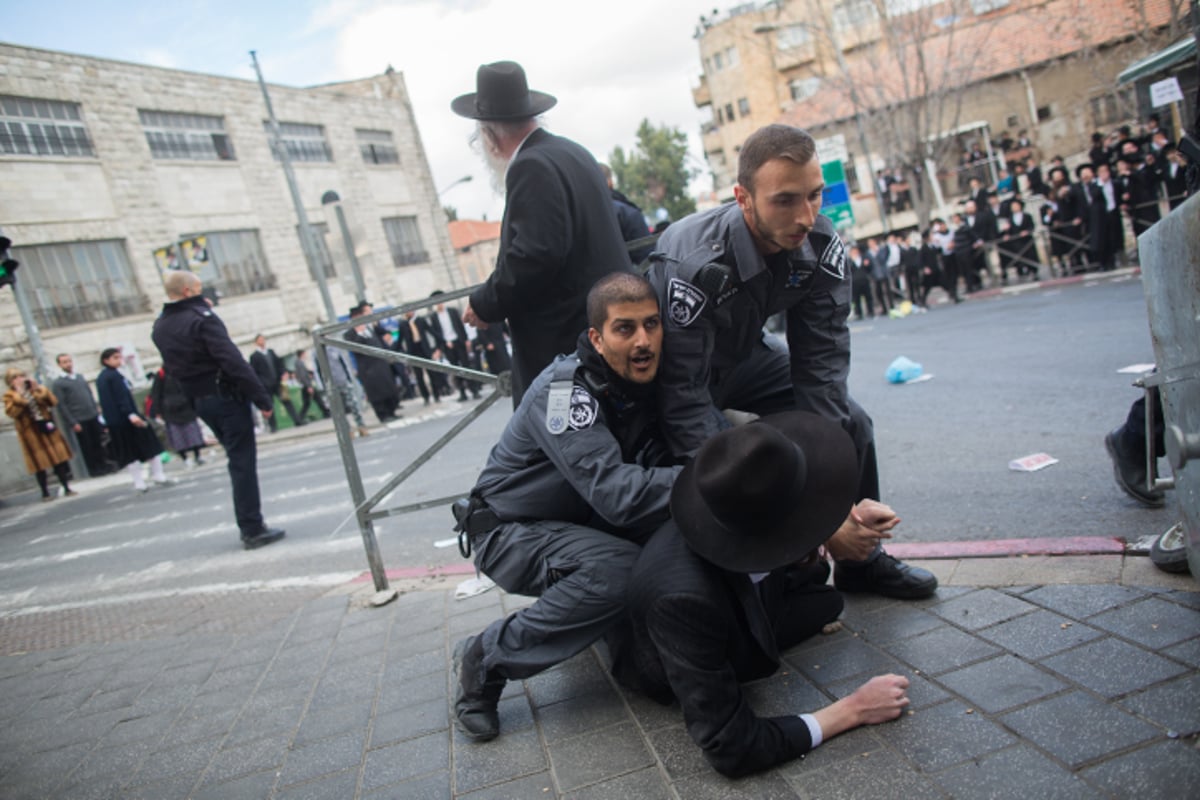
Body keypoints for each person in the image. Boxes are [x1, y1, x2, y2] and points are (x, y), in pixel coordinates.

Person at [646, 124, 937, 600]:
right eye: (785, 200)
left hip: (745, 356)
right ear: (743, 199)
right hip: (678, 378)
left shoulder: (821, 244)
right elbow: (684, 397)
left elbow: (820, 369)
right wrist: (816, 524)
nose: (805, 216)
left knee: (852, 423)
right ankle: (775, 573)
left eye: (815, 196)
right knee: (743, 460)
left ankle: (862, 562)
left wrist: (836, 502)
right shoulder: (693, 260)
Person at [616, 412, 911, 777]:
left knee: (828, 600)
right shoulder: (682, 603)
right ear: (766, 540)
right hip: (693, 647)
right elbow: (733, 748)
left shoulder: (741, 511)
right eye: (808, 516)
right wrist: (853, 709)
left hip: (749, 596)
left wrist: (842, 520)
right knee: (814, 592)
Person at [452, 273, 681, 742]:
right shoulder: (565, 394)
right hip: (510, 531)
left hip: (575, 520)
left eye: (651, 325)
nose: (643, 341)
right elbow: (618, 493)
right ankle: (486, 658)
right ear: (597, 338)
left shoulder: (636, 379)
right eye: (625, 329)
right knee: (618, 572)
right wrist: (708, 480)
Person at [452, 60, 631, 406]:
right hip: (604, 328)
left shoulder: (530, 166)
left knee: (558, 452)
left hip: (567, 348)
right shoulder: (572, 152)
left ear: (487, 135)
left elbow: (535, 255)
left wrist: (484, 302)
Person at [151, 270, 284, 550]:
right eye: (199, 290)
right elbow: (231, 359)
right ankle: (252, 528)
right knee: (242, 462)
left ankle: (250, 524)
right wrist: (261, 397)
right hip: (225, 396)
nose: (204, 295)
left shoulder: (161, 326)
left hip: (200, 401)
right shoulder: (202, 319)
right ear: (187, 291)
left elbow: (174, 370)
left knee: (236, 459)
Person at [96, 348, 173, 494]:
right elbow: (121, 398)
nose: (119, 360)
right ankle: (156, 475)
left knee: (130, 452)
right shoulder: (113, 377)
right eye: (115, 358)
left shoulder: (104, 377)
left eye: (119, 357)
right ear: (106, 361)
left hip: (116, 421)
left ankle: (141, 482)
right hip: (126, 419)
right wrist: (131, 414)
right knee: (149, 445)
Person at [4, 368, 76, 501]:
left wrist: (38, 390)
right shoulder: (10, 396)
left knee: (57, 457)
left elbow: (52, 402)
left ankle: (66, 486)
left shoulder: (34, 388)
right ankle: (45, 492)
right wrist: (20, 397)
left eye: (21, 376)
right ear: (10, 382)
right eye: (15, 378)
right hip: (30, 432)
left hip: (45, 425)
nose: (20, 379)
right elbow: (12, 413)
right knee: (38, 463)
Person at [51, 353, 112, 476]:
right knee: (87, 445)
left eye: (69, 361)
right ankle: (94, 468)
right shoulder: (59, 383)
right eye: (64, 362)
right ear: (59, 365)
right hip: (79, 418)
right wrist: (72, 422)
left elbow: (88, 393)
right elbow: (62, 404)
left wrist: (96, 409)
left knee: (98, 441)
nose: (68, 364)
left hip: (91, 414)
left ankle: (104, 464)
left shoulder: (79, 377)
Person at [344, 302, 401, 422]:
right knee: (376, 394)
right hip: (368, 369)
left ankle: (392, 411)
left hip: (381, 365)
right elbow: (357, 349)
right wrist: (359, 332)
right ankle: (383, 415)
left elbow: (381, 339)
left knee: (389, 389)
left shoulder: (370, 328)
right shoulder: (349, 334)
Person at [426, 291, 482, 402]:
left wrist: (466, 340)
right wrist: (443, 344)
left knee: (466, 365)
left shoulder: (453, 311)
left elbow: (460, 326)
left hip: (459, 342)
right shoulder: (433, 317)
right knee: (454, 368)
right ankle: (462, 392)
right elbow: (436, 333)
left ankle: (474, 390)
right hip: (447, 345)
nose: (439, 304)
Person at [147, 367, 206, 469]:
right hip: (171, 411)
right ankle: (187, 458)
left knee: (190, 435)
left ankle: (196, 456)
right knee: (180, 437)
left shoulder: (180, 370)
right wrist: (156, 411)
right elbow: (156, 394)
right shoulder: (161, 374)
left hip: (184, 408)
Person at [599, 162, 654, 264]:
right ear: (610, 182)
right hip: (625, 277)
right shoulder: (627, 213)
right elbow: (648, 258)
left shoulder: (572, 212)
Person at [249, 334, 302, 431]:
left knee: (286, 400)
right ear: (256, 342)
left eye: (263, 339)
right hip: (266, 386)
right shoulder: (254, 356)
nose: (262, 341)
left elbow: (279, 364)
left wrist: (283, 373)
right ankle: (273, 426)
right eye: (260, 340)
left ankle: (297, 420)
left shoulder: (271, 352)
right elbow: (254, 372)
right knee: (269, 405)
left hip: (277, 383)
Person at [292, 348, 330, 422]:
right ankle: (325, 412)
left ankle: (300, 418)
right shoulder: (299, 363)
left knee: (310, 401)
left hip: (306, 385)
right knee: (313, 400)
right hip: (307, 386)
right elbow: (302, 375)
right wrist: (309, 386)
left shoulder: (299, 362)